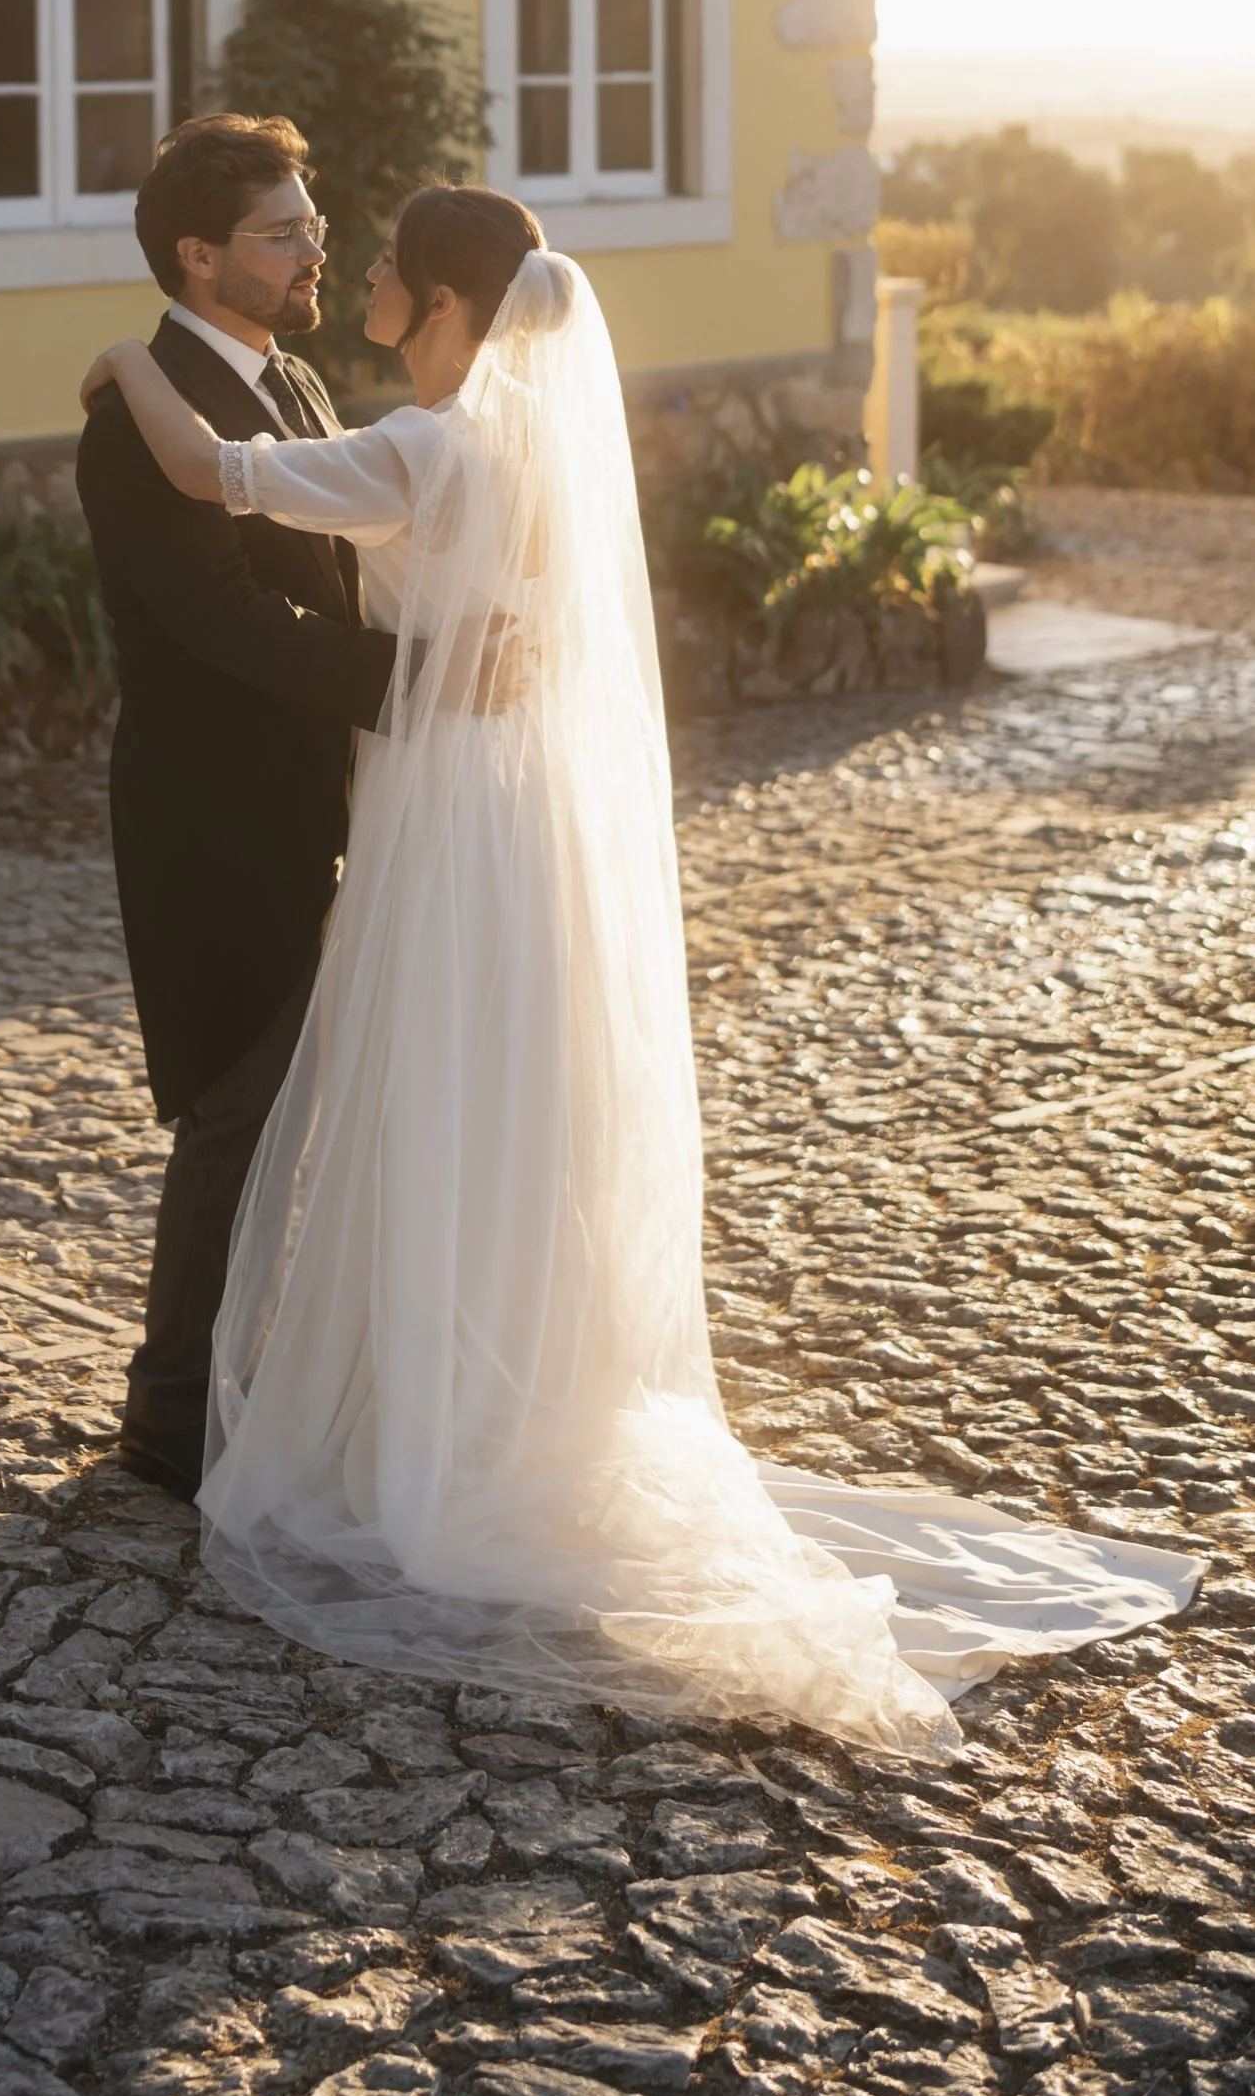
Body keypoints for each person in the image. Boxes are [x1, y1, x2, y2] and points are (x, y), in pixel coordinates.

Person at [81, 181, 1198, 1749]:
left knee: (437, 1100)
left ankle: (420, 1432)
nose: (362, 272)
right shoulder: (524, 443)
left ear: (453, 306)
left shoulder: (432, 442)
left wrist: (117, 369)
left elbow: (207, 471)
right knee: (507, 1101)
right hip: (510, 804)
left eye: (389, 264)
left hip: (447, 812)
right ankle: (486, 1398)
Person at [74, 113, 397, 1499]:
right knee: (234, 1106)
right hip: (215, 815)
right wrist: (422, 677)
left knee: (293, 1110)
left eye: (312, 224)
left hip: (317, 795)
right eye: (285, 230)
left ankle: (250, 1380)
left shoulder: (297, 380)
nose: (314, 245)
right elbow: (225, 618)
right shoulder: (132, 415)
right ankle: (169, 1415)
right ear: (200, 255)